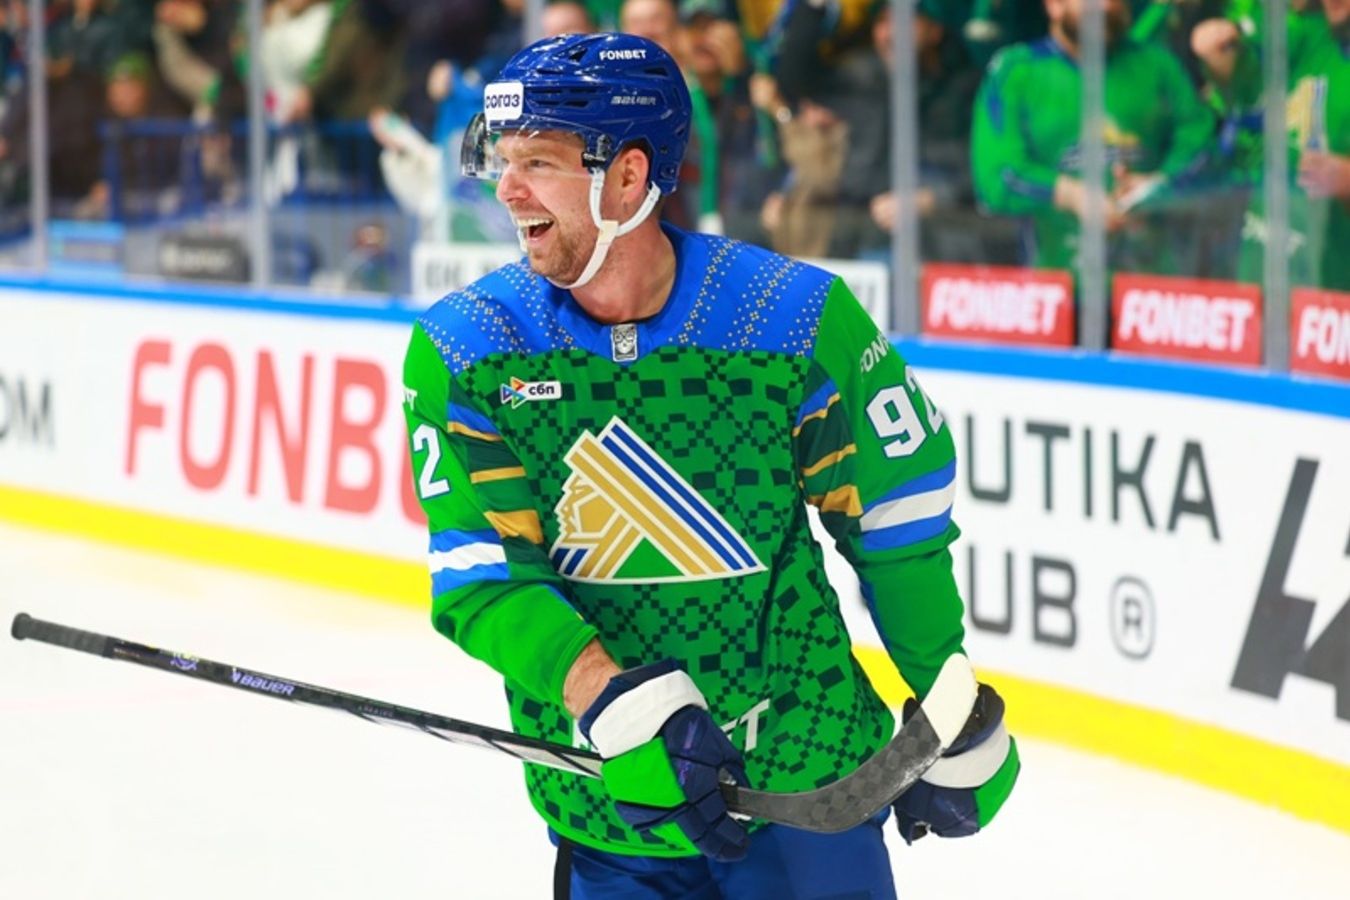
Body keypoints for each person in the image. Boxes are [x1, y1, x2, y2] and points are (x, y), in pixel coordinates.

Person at [401, 32, 1019, 899]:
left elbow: (895, 520)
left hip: (808, 777)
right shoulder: (468, 352)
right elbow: (483, 579)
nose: (508, 190)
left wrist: (948, 699)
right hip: (613, 797)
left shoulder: (791, 319)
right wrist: (609, 698)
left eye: (537, 162)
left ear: (628, 177)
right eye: (503, 161)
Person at [971, 0, 1215, 277]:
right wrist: (1072, 195)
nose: (1106, 5)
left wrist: (1161, 184)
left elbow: (1201, 142)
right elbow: (996, 175)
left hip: (1151, 281)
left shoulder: (1157, 65)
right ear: (1054, 5)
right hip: (1054, 279)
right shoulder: (1017, 70)